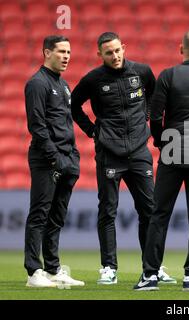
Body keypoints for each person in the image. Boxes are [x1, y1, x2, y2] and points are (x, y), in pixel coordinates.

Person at [71, 32, 175, 285]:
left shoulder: (142, 71)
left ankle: (153, 267)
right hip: (109, 153)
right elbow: (74, 105)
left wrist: (147, 119)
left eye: (118, 50)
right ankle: (108, 267)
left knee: (149, 210)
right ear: (100, 54)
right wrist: (93, 131)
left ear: (124, 48)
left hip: (139, 152)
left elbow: (154, 96)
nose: (115, 56)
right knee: (108, 210)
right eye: (109, 52)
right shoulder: (93, 79)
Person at [134, 29, 189, 292]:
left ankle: (150, 275)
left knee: (159, 214)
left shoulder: (168, 75)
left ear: (180, 49)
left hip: (173, 151)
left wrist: (162, 141)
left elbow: (155, 116)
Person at [24, 35, 84, 287]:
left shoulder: (64, 85)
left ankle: (52, 268)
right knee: (40, 214)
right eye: (61, 51)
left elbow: (66, 124)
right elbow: (37, 126)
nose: (66, 56)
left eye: (68, 52)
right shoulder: (37, 83)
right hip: (46, 160)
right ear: (46, 52)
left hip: (67, 158)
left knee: (57, 217)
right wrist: (54, 157)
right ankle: (33, 272)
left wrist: (73, 156)